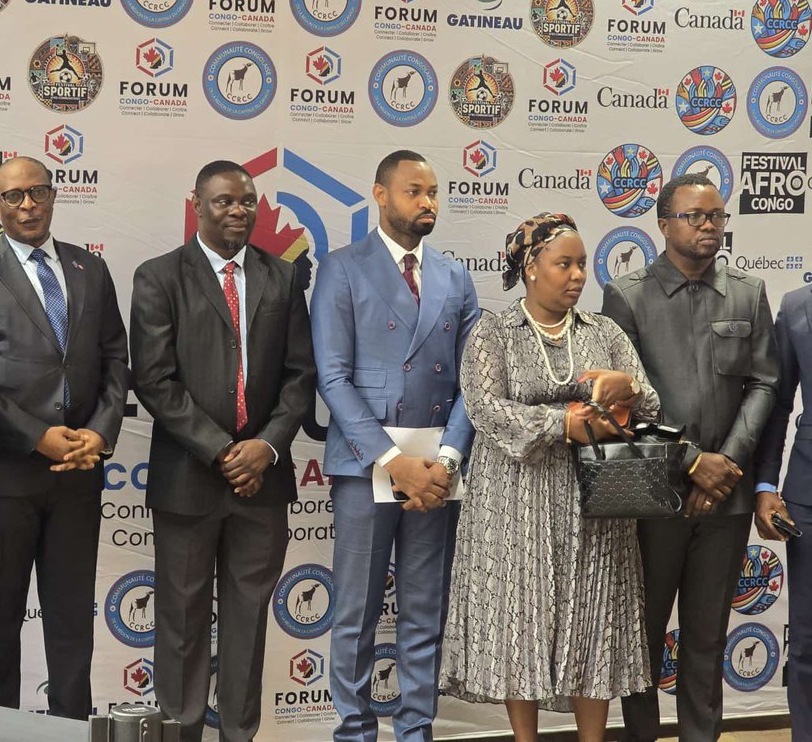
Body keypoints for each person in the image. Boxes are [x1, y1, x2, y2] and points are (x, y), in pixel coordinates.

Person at [441, 212, 654, 741]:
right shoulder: (494, 332)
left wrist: (625, 387)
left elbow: (650, 403)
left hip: (595, 504)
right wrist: (562, 424)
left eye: (582, 264)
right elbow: (485, 409)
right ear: (531, 267)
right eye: (565, 263)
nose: (578, 274)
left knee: (593, 617)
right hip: (515, 500)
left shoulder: (605, 332)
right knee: (522, 618)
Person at [130, 160, 316, 742]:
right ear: (197, 205)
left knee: (248, 623)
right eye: (224, 202)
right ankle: (180, 732)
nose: (238, 211)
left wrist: (263, 447)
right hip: (188, 481)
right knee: (180, 623)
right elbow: (155, 381)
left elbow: (300, 375)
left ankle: (240, 733)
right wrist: (222, 451)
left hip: (261, 485)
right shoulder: (159, 276)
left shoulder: (282, 279)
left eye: (248, 202)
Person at [0, 156, 129, 719]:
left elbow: (116, 361)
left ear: (53, 196)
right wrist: (36, 436)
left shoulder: (89, 269)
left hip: (79, 475)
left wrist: (99, 434)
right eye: (14, 196)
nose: (28, 205)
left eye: (38, 192)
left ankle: (73, 729)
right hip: (3, 475)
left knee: (71, 619)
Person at [310, 150, 479, 742]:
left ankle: (415, 731)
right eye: (414, 191)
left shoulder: (456, 277)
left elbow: (473, 384)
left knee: (424, 610)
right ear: (380, 195)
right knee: (354, 613)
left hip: (436, 469)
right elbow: (332, 378)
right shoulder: (341, 267)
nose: (427, 202)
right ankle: (354, 732)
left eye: (434, 192)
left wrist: (447, 461)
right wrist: (392, 461)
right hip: (369, 465)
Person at [604, 173, 779, 742]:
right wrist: (690, 461)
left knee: (706, 640)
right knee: (642, 639)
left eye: (717, 217)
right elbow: (619, 406)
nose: (709, 226)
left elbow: (765, 385)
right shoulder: (626, 295)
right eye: (695, 216)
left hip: (724, 501)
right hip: (651, 499)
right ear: (663, 224)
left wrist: (724, 465)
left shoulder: (748, 292)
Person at [754, 279, 812, 738]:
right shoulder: (796, 306)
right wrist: (766, 482)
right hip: (807, 496)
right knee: (808, 642)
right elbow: (776, 404)